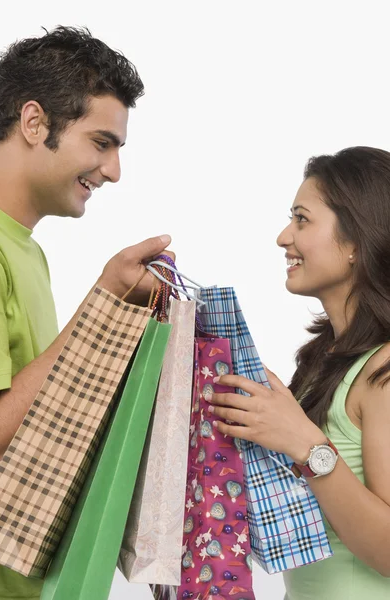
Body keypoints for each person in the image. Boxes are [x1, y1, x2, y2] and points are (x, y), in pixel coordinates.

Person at [0, 25, 172, 599]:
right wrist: (102, 303)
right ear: (34, 122)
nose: (113, 170)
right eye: (101, 142)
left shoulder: (24, 251)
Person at [207, 146, 390, 599]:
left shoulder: (385, 372)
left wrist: (306, 446)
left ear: (353, 242)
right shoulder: (324, 361)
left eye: (302, 219)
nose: (283, 236)